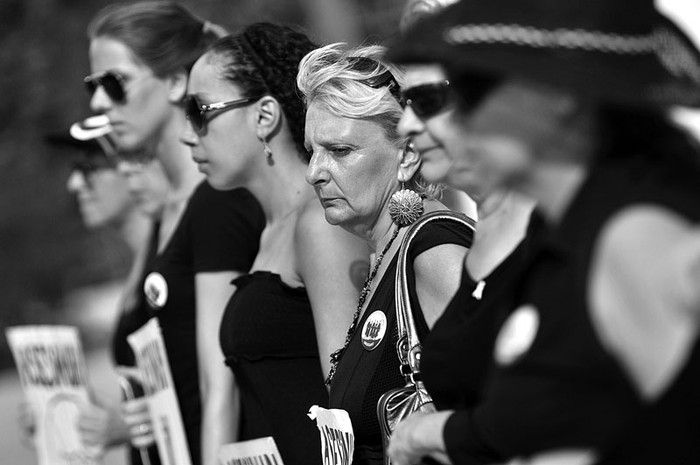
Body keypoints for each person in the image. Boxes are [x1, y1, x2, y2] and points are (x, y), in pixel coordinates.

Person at [386, 0, 700, 463]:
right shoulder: (569, 227)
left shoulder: (634, 231)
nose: (410, 122)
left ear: (560, 100)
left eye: (467, 89)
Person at [180, 23, 369, 465]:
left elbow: (348, 406)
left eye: (199, 110)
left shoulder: (319, 225)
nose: (187, 134)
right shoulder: (273, 228)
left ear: (265, 116)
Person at [86, 3, 265, 465]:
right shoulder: (166, 211)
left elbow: (218, 387)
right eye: (93, 86)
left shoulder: (218, 200)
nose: (98, 104)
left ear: (173, 81)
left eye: (113, 83)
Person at [297, 43, 474, 465]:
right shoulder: (390, 253)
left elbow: (504, 411)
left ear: (408, 154)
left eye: (339, 151)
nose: (314, 172)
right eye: (311, 151)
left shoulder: (434, 248)